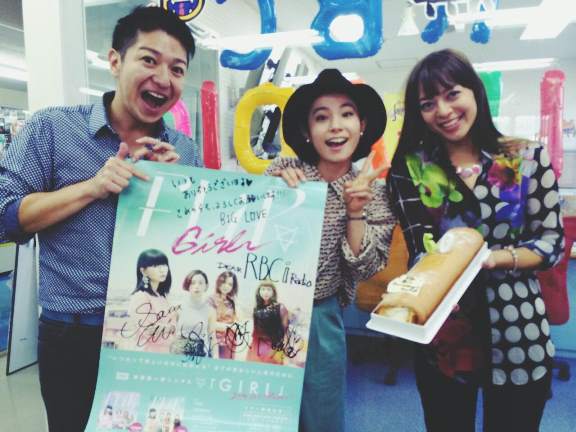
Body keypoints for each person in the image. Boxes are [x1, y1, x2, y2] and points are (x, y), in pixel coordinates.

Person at [0, 6, 201, 431]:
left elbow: (197, 242)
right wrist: (93, 186)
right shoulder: (52, 130)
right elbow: (7, 216)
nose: (163, 78)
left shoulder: (185, 150)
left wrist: (174, 189)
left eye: (177, 69)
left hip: (154, 328)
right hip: (74, 334)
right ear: (114, 61)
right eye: (149, 60)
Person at [386, 49, 564, 432]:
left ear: (474, 92)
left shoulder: (525, 158)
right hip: (444, 332)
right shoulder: (412, 169)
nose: (443, 110)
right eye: (428, 104)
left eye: (453, 94)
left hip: (517, 324)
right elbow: (418, 251)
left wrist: (495, 258)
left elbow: (552, 242)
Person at [266, 69, 396, 432]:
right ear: (307, 130)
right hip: (264, 307)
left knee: (322, 414)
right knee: (262, 411)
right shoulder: (285, 173)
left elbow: (367, 267)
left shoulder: (374, 194)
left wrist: (356, 212)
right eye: (322, 117)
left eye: (347, 114)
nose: (335, 126)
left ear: (362, 125)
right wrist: (270, 189)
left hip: (322, 316)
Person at [122, 249, 178, 352]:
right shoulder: (140, 297)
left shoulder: (163, 297)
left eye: (164, 265)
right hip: (147, 353)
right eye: (155, 266)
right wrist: (171, 328)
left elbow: (173, 327)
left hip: (166, 352)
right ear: (143, 271)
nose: (162, 270)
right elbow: (149, 332)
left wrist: (169, 328)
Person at [172, 269, 218, 358]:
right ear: (187, 285)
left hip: (199, 355)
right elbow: (171, 335)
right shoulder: (178, 308)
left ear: (206, 286)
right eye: (193, 283)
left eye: (200, 283)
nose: (197, 286)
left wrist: (216, 357)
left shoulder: (210, 311)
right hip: (179, 354)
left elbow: (212, 337)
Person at [247, 280, 289, 364]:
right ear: (259, 291)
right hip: (256, 345)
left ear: (273, 292)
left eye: (269, 289)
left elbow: (285, 331)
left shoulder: (280, 308)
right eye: (263, 289)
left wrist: (276, 350)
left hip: (272, 346)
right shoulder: (257, 308)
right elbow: (256, 329)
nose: (265, 292)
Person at [209, 270, 240, 359]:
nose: (226, 286)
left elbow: (237, 322)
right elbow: (210, 324)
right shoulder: (211, 300)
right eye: (224, 282)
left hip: (230, 342)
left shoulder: (232, 301)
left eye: (230, 284)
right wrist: (230, 327)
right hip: (215, 342)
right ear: (219, 282)